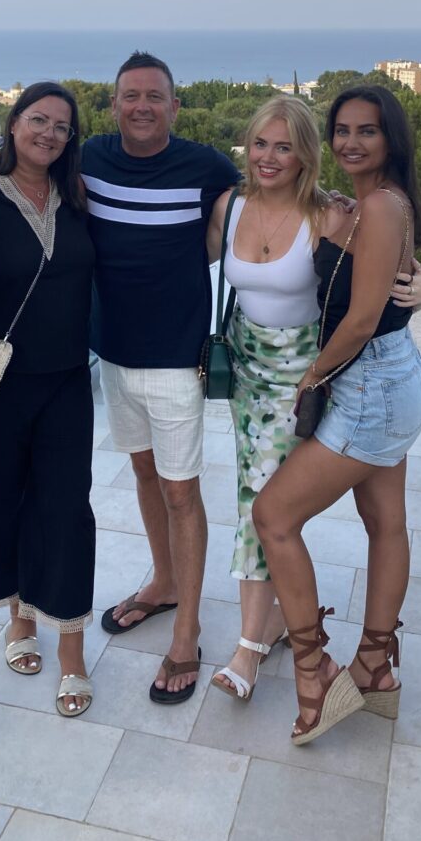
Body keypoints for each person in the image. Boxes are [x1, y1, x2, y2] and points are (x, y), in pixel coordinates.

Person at [205, 96, 421, 702]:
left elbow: (371, 300)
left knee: (268, 509)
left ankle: (264, 651)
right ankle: (373, 663)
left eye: (285, 145)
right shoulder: (230, 208)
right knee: (379, 521)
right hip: (256, 373)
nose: (270, 156)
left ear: (307, 153)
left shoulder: (339, 213)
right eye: (260, 143)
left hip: (320, 374)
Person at [84, 52, 240, 704]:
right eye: (130, 96)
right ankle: (163, 580)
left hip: (178, 359)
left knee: (182, 492)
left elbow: (265, 198)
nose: (142, 106)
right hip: (113, 355)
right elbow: (22, 172)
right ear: (114, 104)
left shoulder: (205, 166)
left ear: (175, 106)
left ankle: (187, 627)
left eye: (155, 96)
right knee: (145, 474)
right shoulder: (88, 158)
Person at [0, 82, 97, 717]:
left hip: (66, 381)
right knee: (4, 504)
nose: (49, 132)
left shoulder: (79, 198)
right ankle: (20, 622)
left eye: (61, 126)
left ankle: (72, 650)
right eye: (37, 119)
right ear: (12, 125)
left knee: (65, 510)